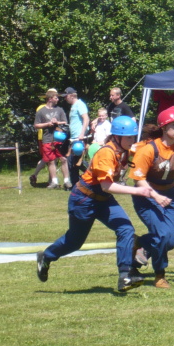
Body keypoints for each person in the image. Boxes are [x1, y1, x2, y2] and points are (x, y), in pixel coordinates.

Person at [36, 116, 153, 292]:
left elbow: (150, 146)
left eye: (133, 137)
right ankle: (47, 256)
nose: (132, 141)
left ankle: (125, 275)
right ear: (116, 136)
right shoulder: (106, 153)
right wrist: (137, 191)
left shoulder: (125, 149)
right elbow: (107, 186)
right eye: (129, 137)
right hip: (84, 199)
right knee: (74, 242)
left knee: (126, 229)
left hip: (103, 201)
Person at [130, 106, 174, 288]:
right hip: (146, 197)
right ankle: (160, 275)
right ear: (164, 128)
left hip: (168, 195)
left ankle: (140, 243)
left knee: (171, 236)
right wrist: (155, 196)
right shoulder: (149, 149)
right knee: (164, 235)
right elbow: (138, 178)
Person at [33, 89, 72, 190]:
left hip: (59, 139)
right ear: (50, 99)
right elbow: (36, 125)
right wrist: (47, 124)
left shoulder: (59, 110)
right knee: (51, 161)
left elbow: (65, 122)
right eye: (56, 97)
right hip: (47, 139)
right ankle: (54, 182)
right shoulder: (41, 112)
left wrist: (56, 122)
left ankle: (67, 181)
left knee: (63, 159)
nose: (58, 99)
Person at [62, 87, 89, 187]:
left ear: (72, 95)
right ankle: (76, 184)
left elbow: (86, 119)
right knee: (74, 162)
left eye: (66, 96)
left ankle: (92, 174)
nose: (65, 98)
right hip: (73, 138)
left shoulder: (80, 104)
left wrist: (81, 134)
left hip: (79, 138)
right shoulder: (73, 106)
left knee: (75, 161)